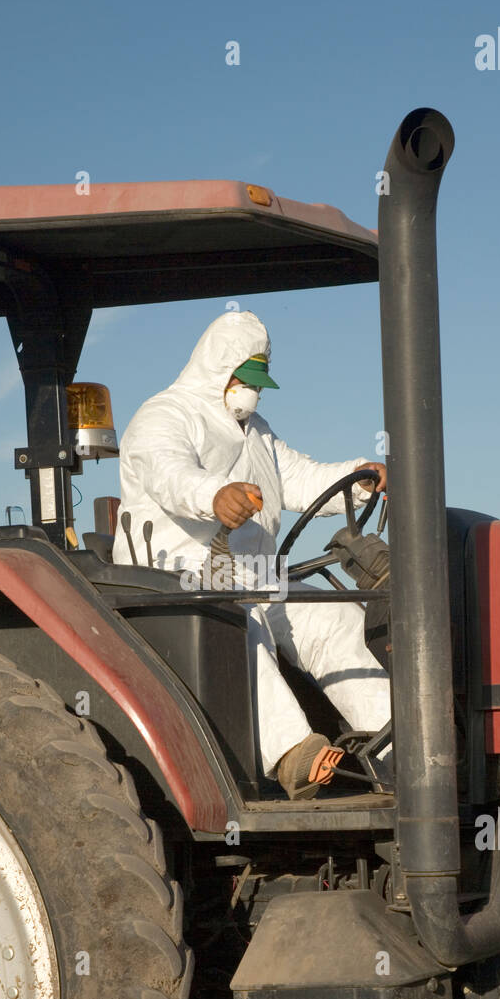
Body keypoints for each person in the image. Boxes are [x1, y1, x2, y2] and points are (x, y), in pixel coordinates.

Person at [112, 310, 391, 799]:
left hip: (254, 574)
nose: (253, 391)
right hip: (177, 579)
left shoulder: (256, 429)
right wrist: (216, 494)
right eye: (246, 379)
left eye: (259, 382)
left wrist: (359, 475)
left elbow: (300, 479)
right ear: (219, 368)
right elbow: (168, 474)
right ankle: (291, 754)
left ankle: (396, 748)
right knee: (244, 623)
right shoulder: (164, 415)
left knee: (336, 618)